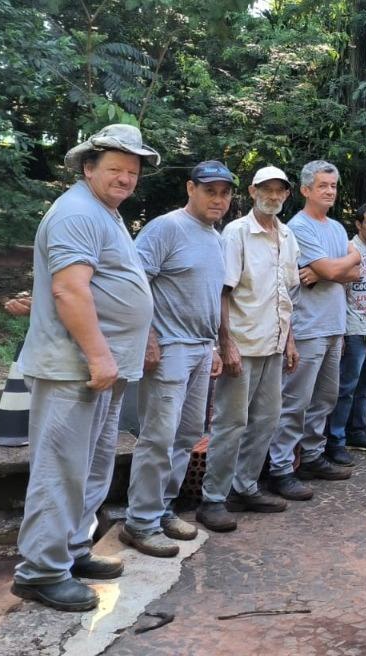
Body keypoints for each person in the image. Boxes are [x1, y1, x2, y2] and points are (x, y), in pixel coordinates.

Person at [12, 124, 158, 612]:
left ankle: (72, 550)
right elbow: (69, 290)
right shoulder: (76, 212)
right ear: (89, 167)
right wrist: (98, 355)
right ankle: (40, 571)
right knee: (61, 469)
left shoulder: (105, 212)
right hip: (74, 367)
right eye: (115, 168)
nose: (124, 178)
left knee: (91, 467)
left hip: (101, 368)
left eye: (132, 171)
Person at [119, 161, 231, 559]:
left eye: (224, 192)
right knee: (158, 437)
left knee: (185, 436)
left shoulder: (215, 237)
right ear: (191, 189)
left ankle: (162, 509)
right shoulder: (166, 228)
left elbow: (212, 295)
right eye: (210, 191)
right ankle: (139, 523)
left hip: (200, 348)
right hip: (168, 348)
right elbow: (135, 283)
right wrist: (147, 336)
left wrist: (216, 346)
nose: (218, 199)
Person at [197, 166, 300, 533]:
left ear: (287, 195)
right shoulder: (237, 232)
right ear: (253, 191)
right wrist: (225, 343)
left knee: (267, 420)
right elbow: (222, 292)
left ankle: (245, 487)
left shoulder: (286, 235)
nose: (273, 197)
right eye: (266, 190)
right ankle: (213, 499)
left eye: (279, 191)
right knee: (231, 422)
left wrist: (288, 340)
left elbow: (285, 293)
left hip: (272, 343)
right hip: (241, 343)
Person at [267, 160, 360, 499]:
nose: (329, 192)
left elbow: (354, 271)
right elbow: (338, 267)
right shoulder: (298, 227)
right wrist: (333, 268)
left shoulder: (335, 228)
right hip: (307, 327)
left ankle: (312, 456)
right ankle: (280, 468)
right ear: (306, 190)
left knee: (324, 398)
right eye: (323, 186)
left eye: (333, 186)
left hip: (335, 324)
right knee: (296, 400)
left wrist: (325, 271)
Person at [327, 203, 366, 453]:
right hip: (354, 328)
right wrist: (340, 331)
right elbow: (339, 289)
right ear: (359, 224)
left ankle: (357, 432)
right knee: (347, 387)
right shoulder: (349, 250)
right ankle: (335, 439)